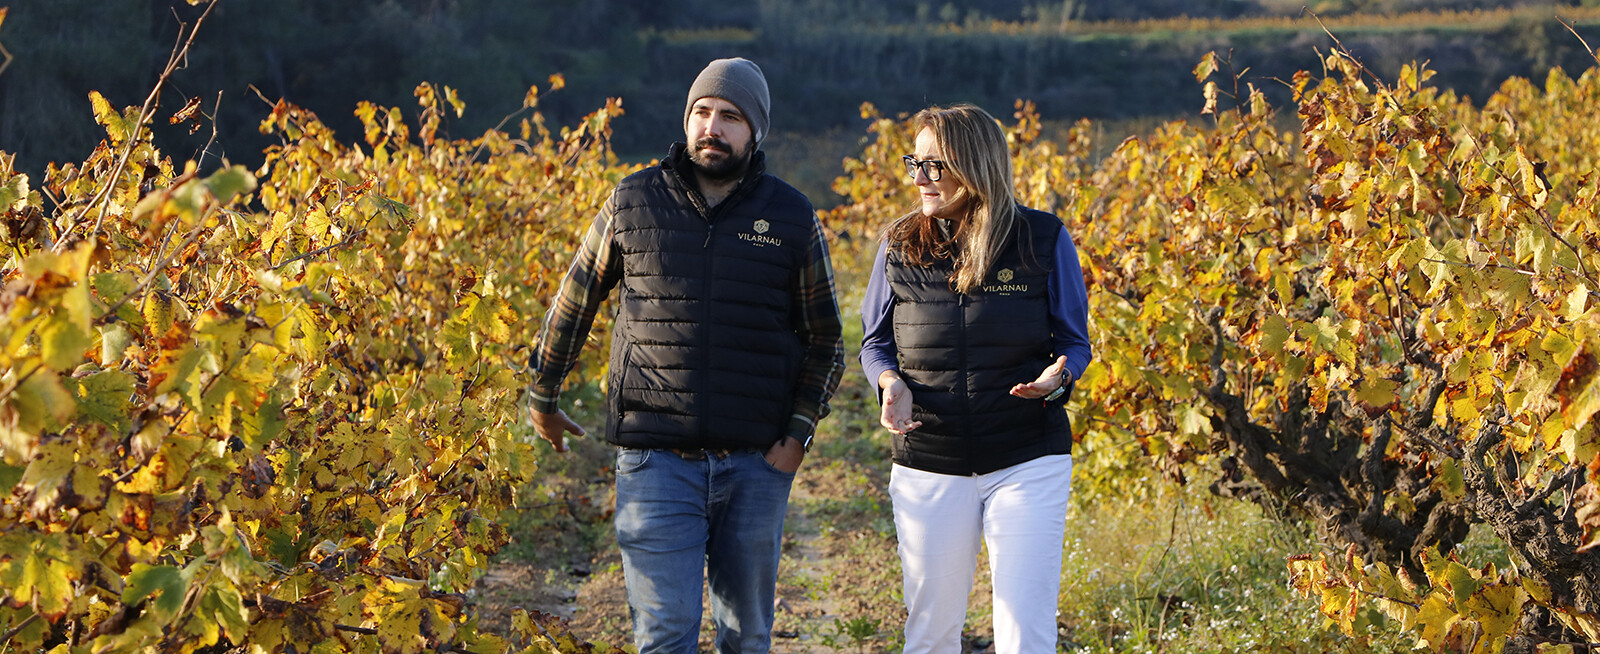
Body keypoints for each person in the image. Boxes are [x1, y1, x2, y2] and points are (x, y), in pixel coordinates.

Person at [528, 58, 846, 653]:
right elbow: (574, 302)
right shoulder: (633, 201)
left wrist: (798, 434)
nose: (713, 127)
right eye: (703, 112)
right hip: (656, 460)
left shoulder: (791, 216)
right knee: (666, 633)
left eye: (730, 116)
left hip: (755, 463)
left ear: (755, 132)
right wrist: (543, 394)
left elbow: (826, 339)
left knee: (746, 636)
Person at [858, 104, 1092, 654]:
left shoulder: (1042, 238)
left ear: (976, 165)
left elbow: (1074, 343)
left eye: (934, 165)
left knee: (1025, 632)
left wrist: (1058, 380)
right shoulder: (899, 244)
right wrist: (889, 382)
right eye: (914, 162)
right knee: (932, 632)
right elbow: (874, 343)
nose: (918, 178)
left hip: (1027, 456)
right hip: (929, 459)